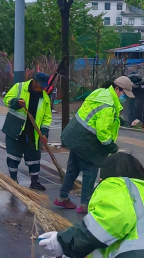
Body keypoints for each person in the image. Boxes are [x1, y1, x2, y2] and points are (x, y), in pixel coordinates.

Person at [53, 76, 134, 213]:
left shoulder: (100, 93)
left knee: (72, 169)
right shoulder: (108, 105)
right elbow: (102, 132)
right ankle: (85, 205)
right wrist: (111, 146)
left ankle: (62, 197)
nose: (124, 98)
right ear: (116, 89)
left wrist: (117, 119)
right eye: (123, 94)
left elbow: (94, 115)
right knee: (90, 172)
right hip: (87, 143)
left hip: (74, 136)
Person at [2, 72, 52, 191]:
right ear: (34, 82)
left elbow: (47, 117)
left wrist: (44, 133)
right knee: (13, 156)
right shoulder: (19, 87)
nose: (43, 88)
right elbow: (7, 100)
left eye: (44, 86)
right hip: (15, 129)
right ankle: (13, 180)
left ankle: (34, 181)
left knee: (34, 156)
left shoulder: (44, 98)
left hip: (33, 132)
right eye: (41, 85)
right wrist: (16, 103)